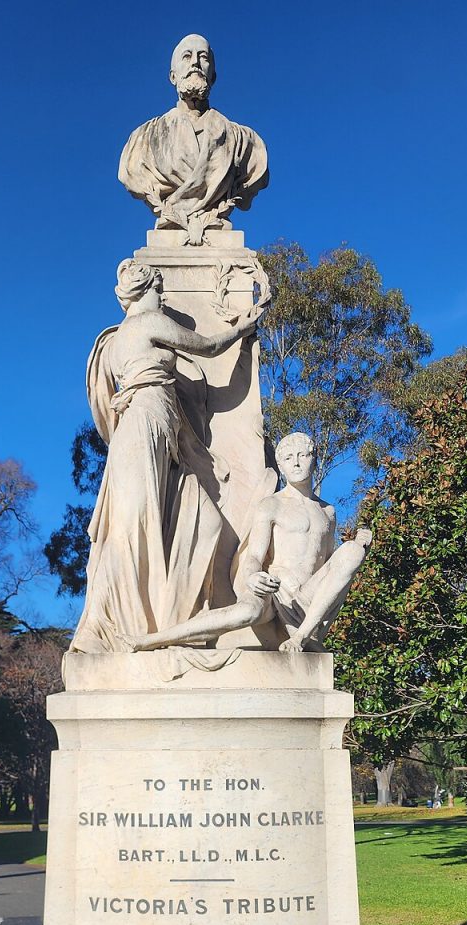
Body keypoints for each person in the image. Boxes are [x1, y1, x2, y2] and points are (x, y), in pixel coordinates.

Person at [70, 259, 264, 654]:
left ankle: (165, 620)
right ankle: (116, 623)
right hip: (146, 426)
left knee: (183, 519)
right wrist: (243, 328)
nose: (165, 297)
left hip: (151, 429)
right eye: (161, 289)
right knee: (134, 524)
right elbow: (208, 346)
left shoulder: (112, 341)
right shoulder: (146, 323)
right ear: (146, 291)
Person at [123, 432, 372, 652]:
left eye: (303, 455)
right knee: (247, 612)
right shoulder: (272, 505)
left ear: (314, 460)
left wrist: (359, 547)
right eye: (288, 458)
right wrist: (253, 576)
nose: (296, 462)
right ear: (281, 468)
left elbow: (327, 564)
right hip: (275, 590)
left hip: (309, 597)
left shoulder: (328, 512)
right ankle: (154, 640)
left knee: (351, 550)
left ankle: (302, 636)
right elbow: (254, 556)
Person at [118, 35, 269, 245]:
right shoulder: (143, 140)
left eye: (203, 57)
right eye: (186, 57)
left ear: (213, 76)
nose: (195, 63)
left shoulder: (244, 142)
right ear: (173, 76)